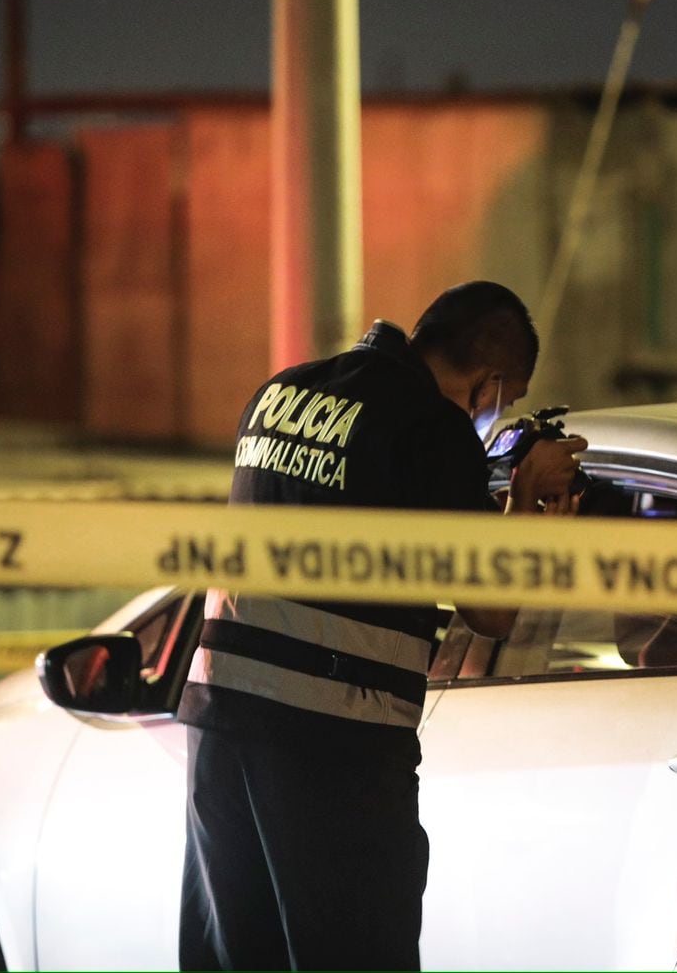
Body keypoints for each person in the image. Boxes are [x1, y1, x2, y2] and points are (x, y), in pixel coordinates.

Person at [177, 281, 585, 970]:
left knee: (242, 955)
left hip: (219, 728)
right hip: (333, 745)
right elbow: (492, 611)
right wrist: (522, 502)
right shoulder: (432, 429)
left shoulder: (281, 392)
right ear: (489, 384)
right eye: (506, 401)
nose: (498, 414)